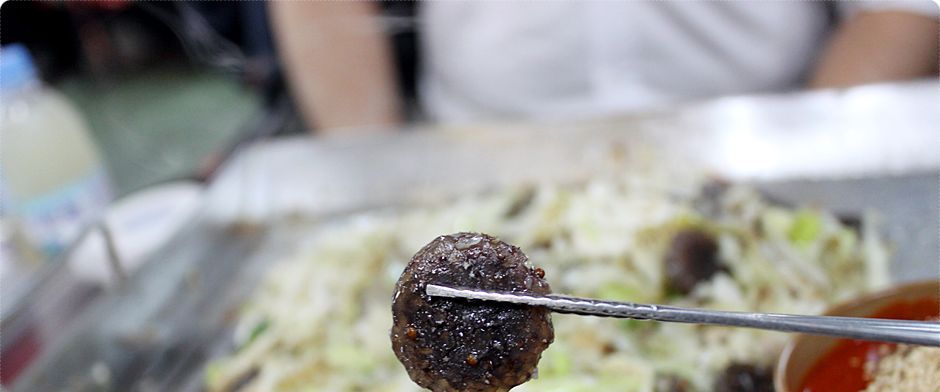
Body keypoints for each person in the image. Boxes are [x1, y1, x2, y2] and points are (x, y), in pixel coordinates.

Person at [269, 0, 939, 132]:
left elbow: (901, 10)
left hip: (764, 125)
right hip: (474, 147)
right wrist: (367, 163)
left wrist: (801, 158)